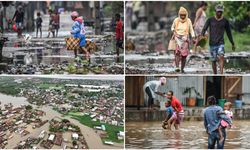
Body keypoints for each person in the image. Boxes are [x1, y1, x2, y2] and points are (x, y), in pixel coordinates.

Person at [201, 4, 235, 74]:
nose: (219, 13)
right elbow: (204, 29)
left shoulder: (225, 21)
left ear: (222, 12)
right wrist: (202, 37)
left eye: (221, 12)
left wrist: (232, 43)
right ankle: (215, 75)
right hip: (212, 43)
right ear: (215, 11)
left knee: (221, 56)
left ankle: (221, 73)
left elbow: (229, 33)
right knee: (213, 60)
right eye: (218, 11)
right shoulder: (210, 20)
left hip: (220, 43)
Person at [171, 7, 196, 73]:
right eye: (181, 15)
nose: (182, 16)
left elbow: (191, 30)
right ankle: (177, 67)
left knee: (184, 55)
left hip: (185, 39)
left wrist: (193, 37)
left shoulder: (188, 21)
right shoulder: (176, 20)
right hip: (177, 38)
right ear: (179, 14)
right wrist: (174, 32)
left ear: (186, 15)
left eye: (184, 15)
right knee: (177, 54)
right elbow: (172, 28)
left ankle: (182, 68)